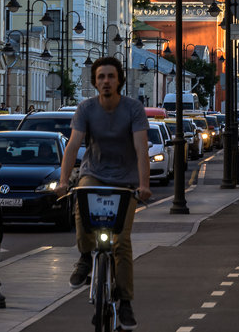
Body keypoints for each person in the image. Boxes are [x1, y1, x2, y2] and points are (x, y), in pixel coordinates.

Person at [56, 56, 151, 331]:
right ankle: (86, 256)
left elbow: (141, 150)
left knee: (121, 243)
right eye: (101, 77)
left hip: (125, 180)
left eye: (110, 76)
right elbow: (73, 146)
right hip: (94, 174)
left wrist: (144, 186)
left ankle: (126, 302)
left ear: (119, 80)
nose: (106, 82)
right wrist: (64, 181)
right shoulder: (86, 109)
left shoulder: (133, 109)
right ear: (95, 82)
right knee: (81, 200)